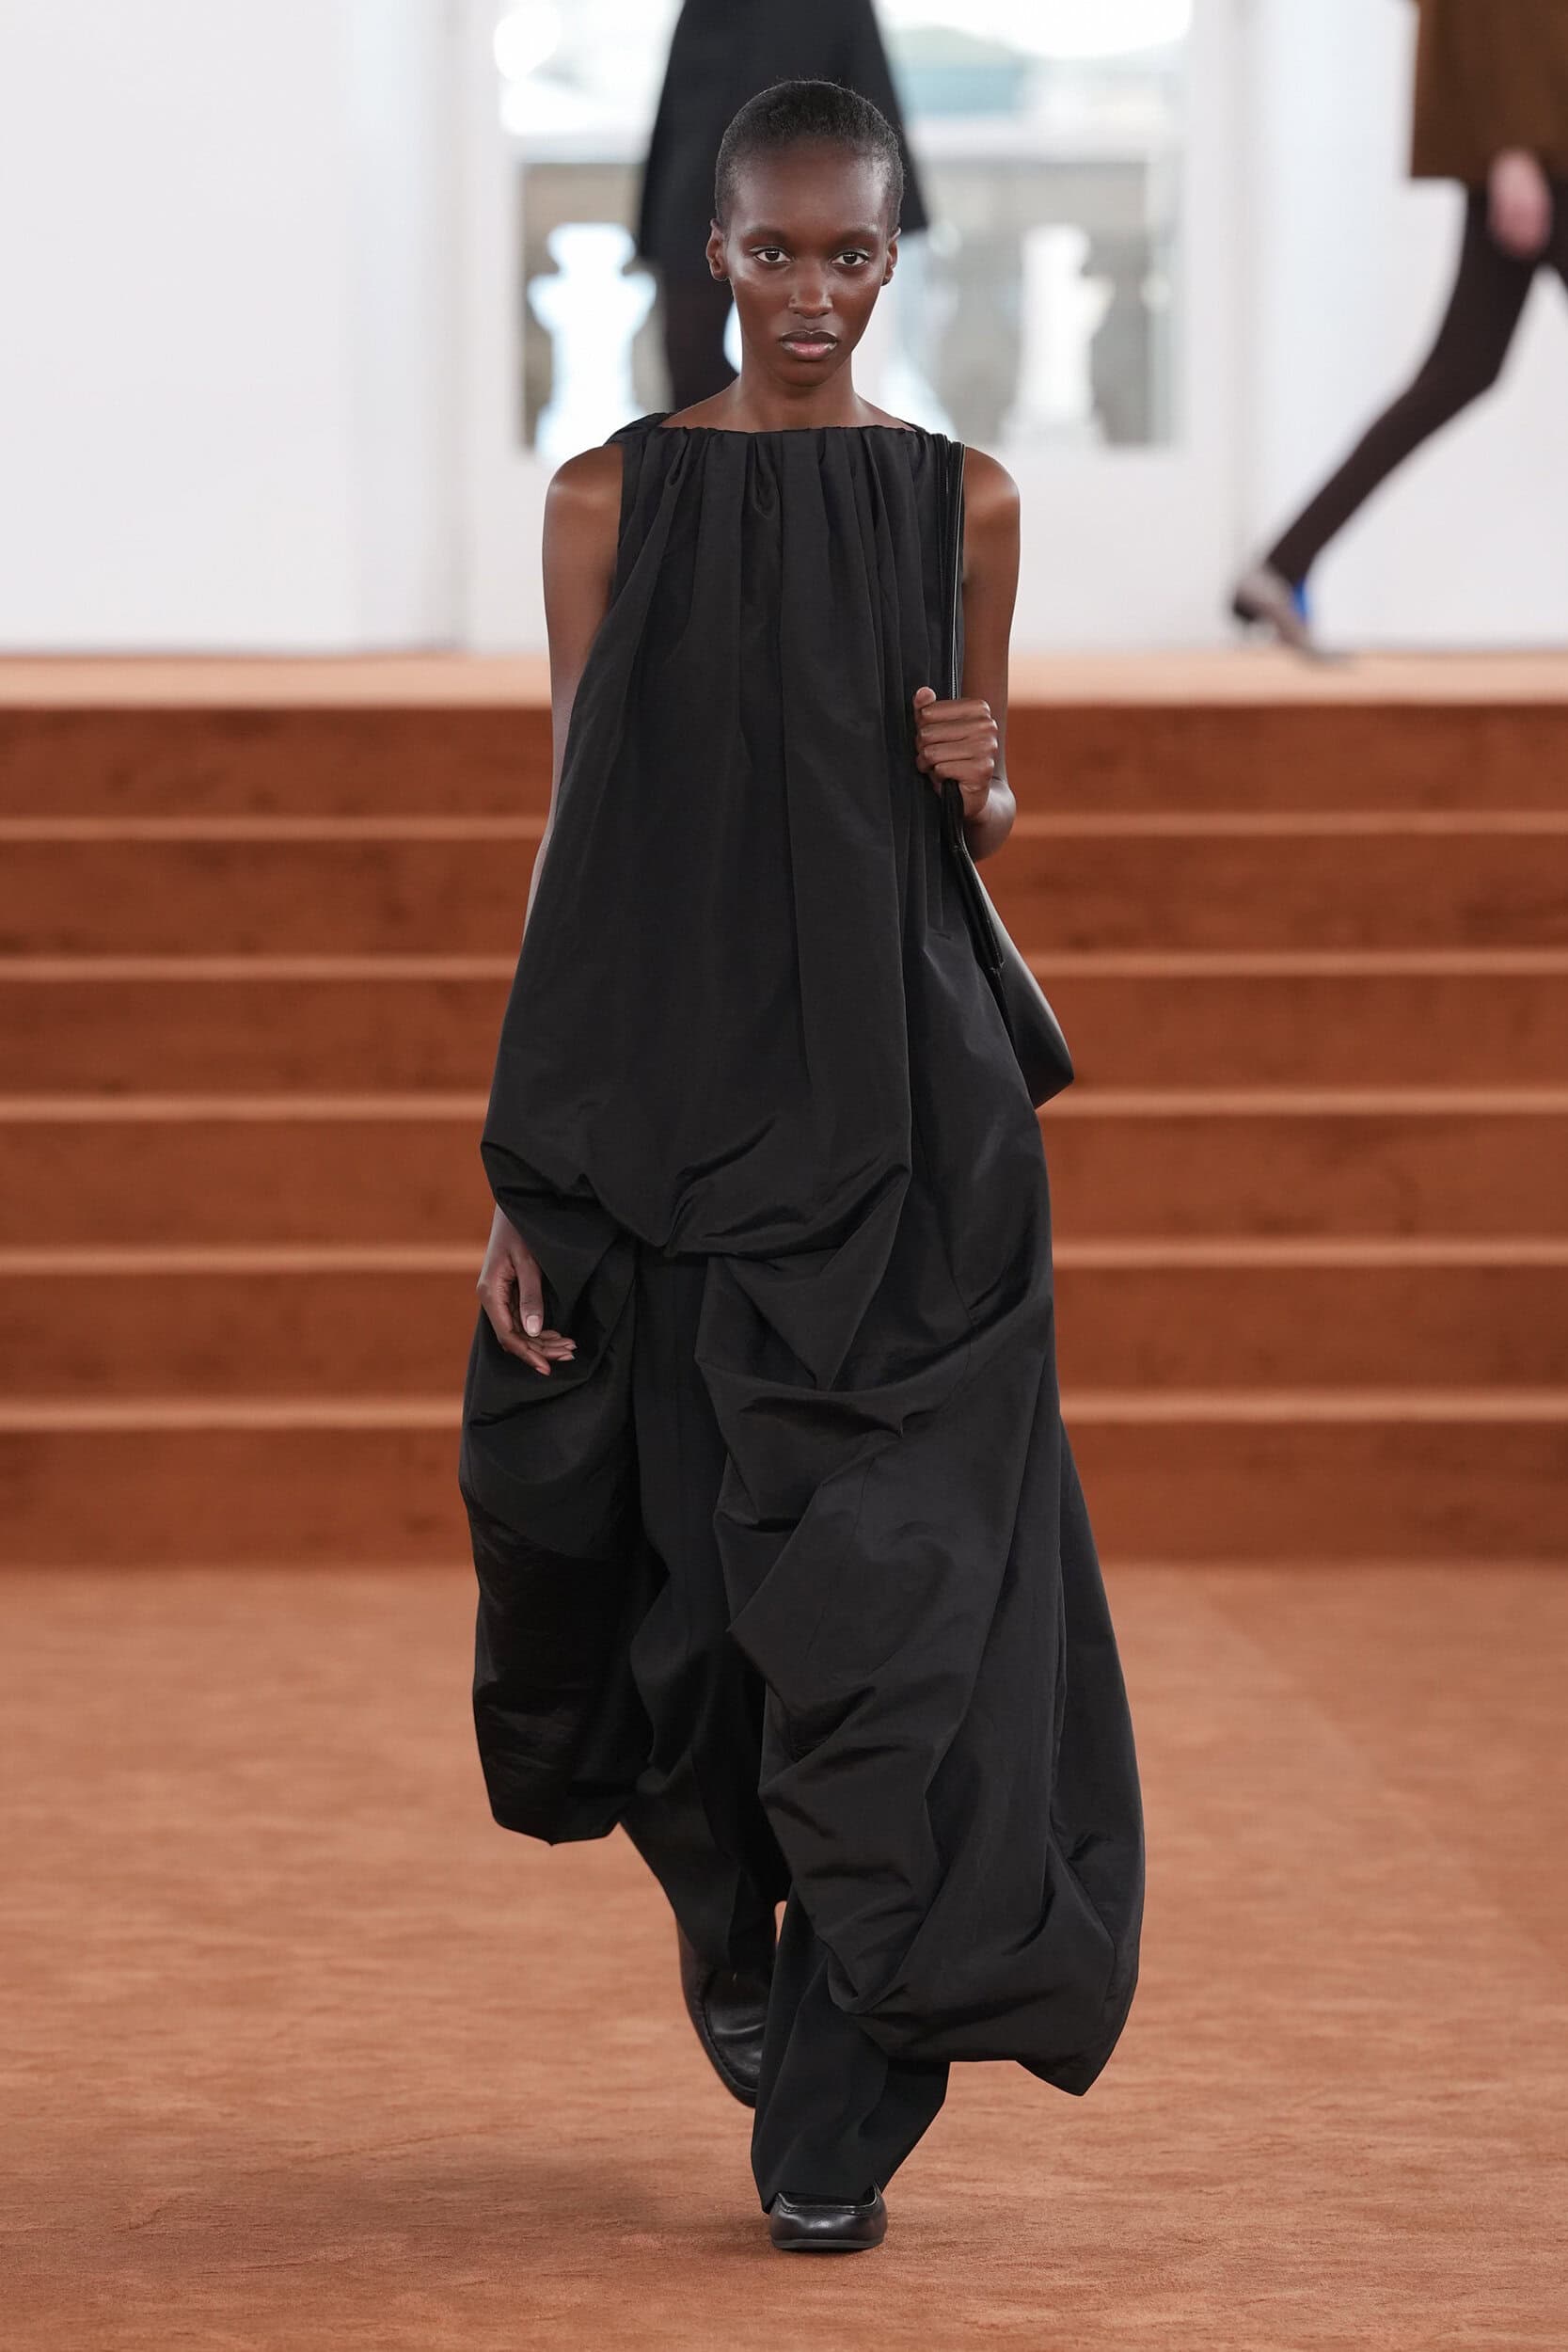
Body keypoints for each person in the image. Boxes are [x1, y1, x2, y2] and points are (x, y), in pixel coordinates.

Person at [459, 78, 1144, 2256]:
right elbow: (580, 830)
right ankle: (724, 1914)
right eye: (775, 249)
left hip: (913, 1137)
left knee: (904, 1612)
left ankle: (843, 2095)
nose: (813, 292)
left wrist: (987, 777)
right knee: (698, 1635)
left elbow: (971, 826)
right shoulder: (601, 502)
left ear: (888, 257)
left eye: (851, 252)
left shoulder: (967, 502)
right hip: (676, 1127)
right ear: (711, 252)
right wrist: (527, 1173)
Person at [1234, 0, 1568, 652]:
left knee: (1460, 370)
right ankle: (1278, 568)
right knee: (1459, 370)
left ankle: (1281, 565)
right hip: (1542, 146)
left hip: (1538, 141)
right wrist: (1513, 147)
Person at [634, 0, 928, 410]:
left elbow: (865, 98)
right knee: (689, 357)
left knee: (812, 356)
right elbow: (679, 108)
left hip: (811, 190)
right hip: (696, 189)